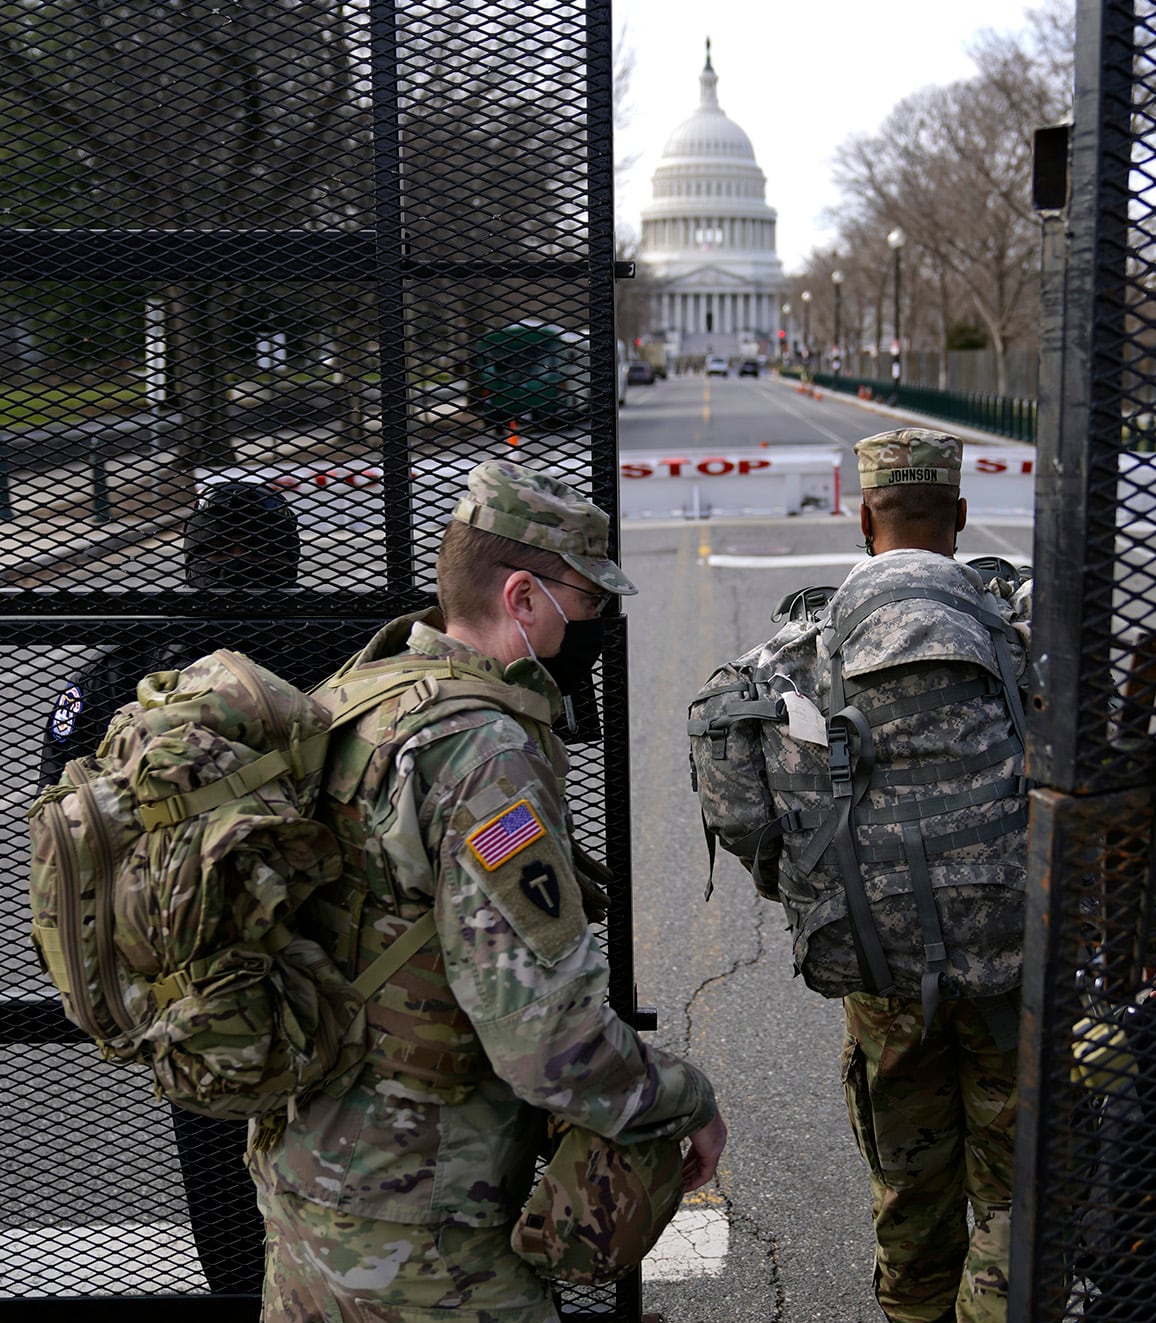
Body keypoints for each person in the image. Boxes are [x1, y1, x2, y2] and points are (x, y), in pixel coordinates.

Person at [690, 429, 1156, 1323]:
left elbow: (739, 809)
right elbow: (1123, 807)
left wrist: (810, 887)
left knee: (910, 1190)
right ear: (959, 517)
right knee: (1016, 1195)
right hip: (1023, 968)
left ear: (861, 516)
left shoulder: (791, 659)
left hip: (881, 978)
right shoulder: (1037, 646)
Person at [247, 458, 726, 1321]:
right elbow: (547, 1040)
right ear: (523, 598)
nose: (593, 628)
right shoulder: (482, 756)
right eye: (586, 604)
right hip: (422, 1228)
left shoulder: (352, 699)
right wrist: (686, 1098)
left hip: (305, 1187)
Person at [38, 479, 355, 1295]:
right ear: (289, 556)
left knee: (226, 1220)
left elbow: (63, 823)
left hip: (191, 989)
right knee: (357, 1207)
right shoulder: (347, 646)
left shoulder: (131, 664)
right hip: (346, 978)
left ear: (192, 554)